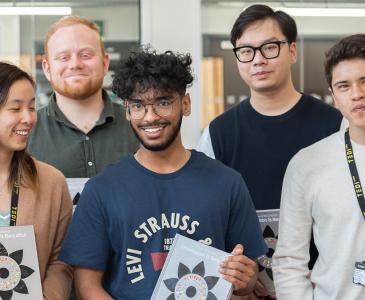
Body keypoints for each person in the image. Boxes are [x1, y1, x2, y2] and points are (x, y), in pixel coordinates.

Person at [59, 47, 267, 299]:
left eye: (163, 102)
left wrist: (245, 278)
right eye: (138, 105)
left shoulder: (227, 183)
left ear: (186, 104)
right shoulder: (102, 189)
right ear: (127, 110)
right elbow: (87, 286)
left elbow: (247, 276)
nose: (150, 116)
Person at [197, 4, 343, 298]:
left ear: (292, 51)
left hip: (323, 290)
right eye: (246, 51)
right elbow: (207, 217)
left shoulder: (336, 125)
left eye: (269, 48)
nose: (258, 60)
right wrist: (235, 285)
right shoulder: (217, 134)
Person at [273, 34, 365, 299]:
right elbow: (289, 260)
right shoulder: (307, 164)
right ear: (334, 97)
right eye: (344, 86)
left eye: (364, 81)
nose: (357, 94)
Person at [27, 16, 138, 178]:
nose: (75, 64)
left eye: (85, 55)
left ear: (105, 63)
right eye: (63, 57)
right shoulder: (25, 131)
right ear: (47, 68)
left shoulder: (138, 124)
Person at [0, 61, 72, 299]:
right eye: (15, 108)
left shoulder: (52, 182)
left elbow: (61, 261)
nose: (29, 118)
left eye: (32, 107)